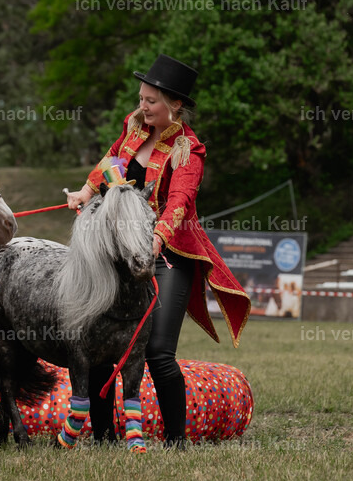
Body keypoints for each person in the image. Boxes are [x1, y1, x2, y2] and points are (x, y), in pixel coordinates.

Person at [66, 54, 252, 448]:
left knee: (157, 352)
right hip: (123, 252)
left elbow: (180, 201)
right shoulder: (134, 130)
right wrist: (84, 191)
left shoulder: (189, 150)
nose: (143, 107)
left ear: (176, 104)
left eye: (151, 101)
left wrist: (155, 240)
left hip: (168, 256)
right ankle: (103, 438)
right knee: (101, 345)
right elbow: (111, 163)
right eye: (142, 98)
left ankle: (175, 440)